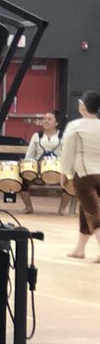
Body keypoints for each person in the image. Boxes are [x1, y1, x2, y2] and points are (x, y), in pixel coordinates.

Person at [62, 91, 100, 260]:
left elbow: (68, 151)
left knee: (92, 211)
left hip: (85, 175)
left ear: (83, 106)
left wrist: (65, 172)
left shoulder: (75, 126)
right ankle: (80, 249)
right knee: (85, 209)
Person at [19, 111, 62, 214]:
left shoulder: (63, 136)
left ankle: (62, 208)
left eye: (49, 119)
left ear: (56, 123)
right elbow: (29, 155)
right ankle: (28, 206)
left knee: (71, 178)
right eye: (44, 119)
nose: (45, 121)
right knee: (20, 178)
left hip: (58, 170)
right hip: (38, 170)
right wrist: (26, 167)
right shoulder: (37, 136)